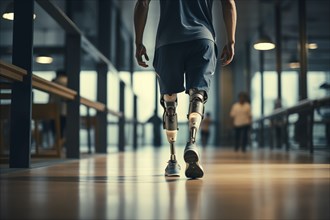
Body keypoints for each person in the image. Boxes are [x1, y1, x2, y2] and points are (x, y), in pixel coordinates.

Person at [134, 0, 237, 178]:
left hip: (167, 41)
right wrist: (231, 41)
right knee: (197, 95)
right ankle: (192, 142)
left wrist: (138, 42)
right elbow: (228, 4)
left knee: (170, 102)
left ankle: (173, 161)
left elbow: (142, 4)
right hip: (202, 39)